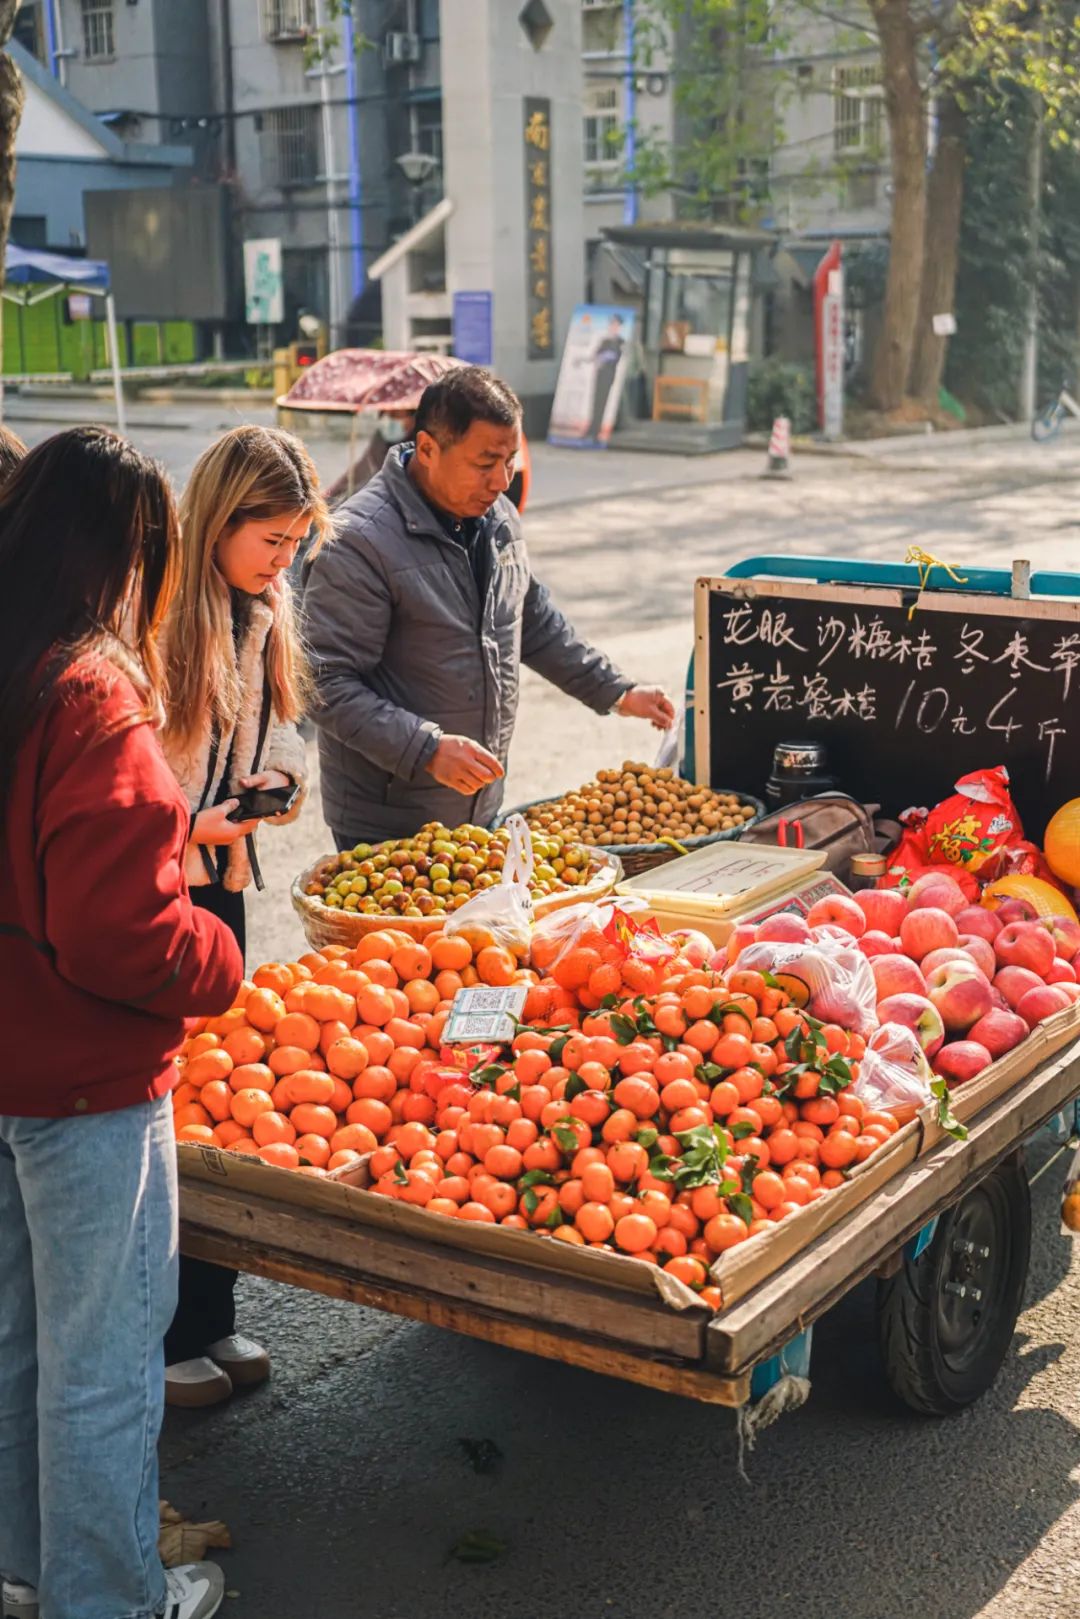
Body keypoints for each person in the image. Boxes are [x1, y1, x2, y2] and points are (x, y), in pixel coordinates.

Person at [0, 426, 244, 1619]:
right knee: (99, 1367)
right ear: (122, 556)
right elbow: (119, 935)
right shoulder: (92, 694)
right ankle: (110, 1596)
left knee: (14, 1346)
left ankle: (25, 1566)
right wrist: (217, 953)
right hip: (84, 1088)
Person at [303, 365, 674, 849]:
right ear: (429, 449)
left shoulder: (496, 515)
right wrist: (426, 748)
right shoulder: (359, 541)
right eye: (485, 463)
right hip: (387, 820)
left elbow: (533, 620)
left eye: (510, 460)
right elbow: (323, 682)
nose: (501, 481)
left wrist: (617, 691)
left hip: (477, 804)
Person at [159, 425, 332, 1409]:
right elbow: (137, 781)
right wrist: (195, 823)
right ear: (222, 521)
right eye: (272, 539)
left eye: (296, 540)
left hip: (224, 879)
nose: (285, 559)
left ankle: (210, 1313)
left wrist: (282, 781)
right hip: (166, 881)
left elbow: (288, 726)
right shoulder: (161, 622)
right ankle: (168, 1331)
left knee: (225, 1094)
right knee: (176, 1108)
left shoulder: (264, 610)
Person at [587, 313, 626, 443]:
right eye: (612, 324)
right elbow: (596, 354)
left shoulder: (621, 341)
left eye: (616, 325)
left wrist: (608, 356)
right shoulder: (605, 340)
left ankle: (596, 433)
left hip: (609, 375)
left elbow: (617, 357)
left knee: (603, 403)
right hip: (599, 374)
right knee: (595, 402)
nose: (613, 327)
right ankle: (591, 429)